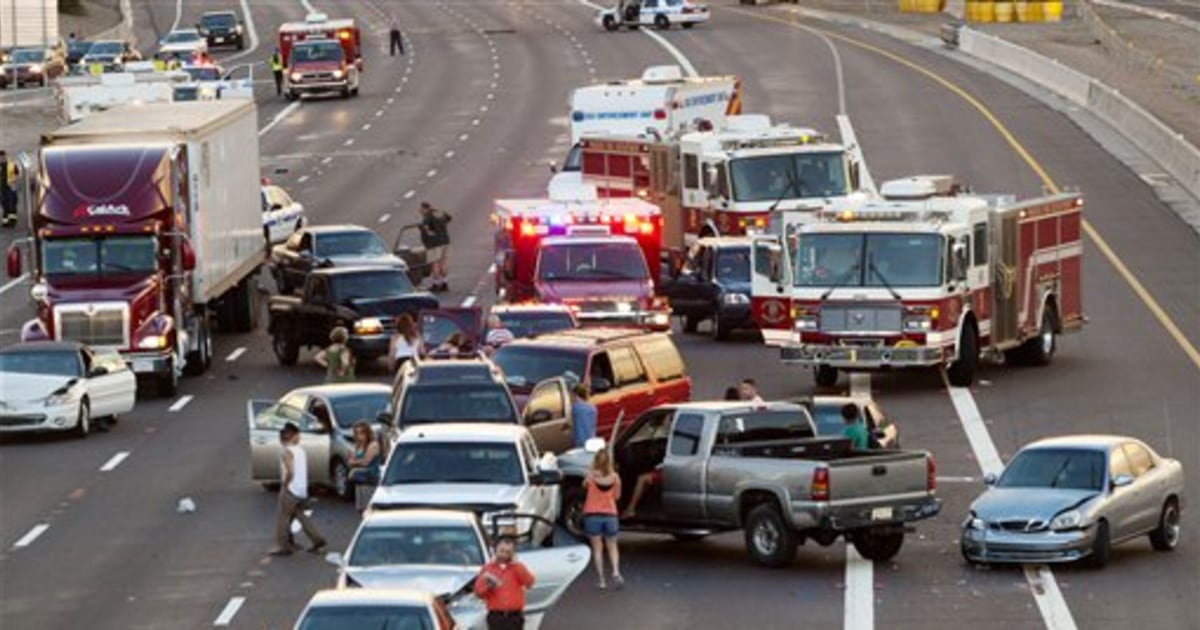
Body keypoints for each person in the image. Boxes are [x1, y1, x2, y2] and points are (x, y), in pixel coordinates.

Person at [270, 422, 327, 556]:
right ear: (293, 436)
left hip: (291, 490)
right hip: (301, 490)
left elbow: (290, 471)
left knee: (283, 519)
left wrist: (285, 485)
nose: (299, 437)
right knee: (301, 516)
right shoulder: (300, 451)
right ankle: (317, 540)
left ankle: (284, 546)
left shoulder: (287, 452)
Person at [473, 536, 535, 630]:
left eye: (508, 552)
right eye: (501, 551)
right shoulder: (488, 568)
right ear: (496, 550)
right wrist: (489, 587)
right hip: (496, 617)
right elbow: (478, 593)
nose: (504, 555)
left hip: (515, 616)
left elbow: (529, 583)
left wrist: (517, 565)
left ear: (513, 553)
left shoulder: (518, 567)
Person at [582, 449, 623, 589]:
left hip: (592, 516)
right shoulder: (615, 477)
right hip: (610, 515)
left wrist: (591, 471)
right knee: (612, 545)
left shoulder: (591, 477)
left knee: (597, 549)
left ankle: (601, 581)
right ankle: (616, 572)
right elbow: (617, 497)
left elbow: (584, 486)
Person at [347, 421, 382, 512]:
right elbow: (350, 459)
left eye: (362, 433)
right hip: (359, 480)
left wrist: (353, 462)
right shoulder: (358, 446)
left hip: (370, 479)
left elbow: (366, 462)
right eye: (357, 433)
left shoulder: (373, 444)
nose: (359, 436)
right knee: (360, 508)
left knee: (368, 508)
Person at [419, 202, 451, 292]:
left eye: (421, 209)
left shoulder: (428, 216)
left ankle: (436, 284)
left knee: (435, 263)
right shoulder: (439, 213)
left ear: (425, 208)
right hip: (445, 241)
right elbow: (448, 218)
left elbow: (425, 226)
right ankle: (445, 282)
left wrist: (429, 232)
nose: (420, 211)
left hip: (434, 243)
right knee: (443, 262)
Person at [570, 383, 597, 448]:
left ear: (575, 395)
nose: (570, 398)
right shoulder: (593, 408)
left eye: (571, 395)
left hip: (580, 443)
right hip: (592, 441)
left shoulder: (575, 407)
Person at [1, 149, 19, 228]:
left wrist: (13, 181)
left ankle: (12, 222)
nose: (1, 158)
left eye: (2, 157)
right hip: (2, 188)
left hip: (11, 187)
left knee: (12, 204)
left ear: (5, 156)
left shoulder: (11, 164)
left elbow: (16, 174)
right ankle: (5, 222)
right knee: (5, 205)